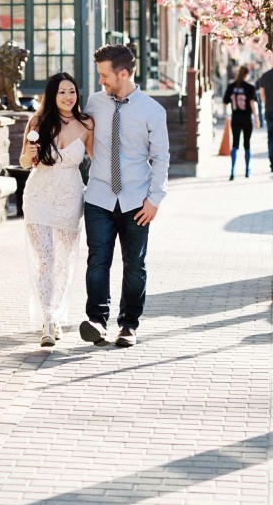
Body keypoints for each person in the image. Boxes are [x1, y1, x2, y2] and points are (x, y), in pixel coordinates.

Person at [79, 44, 169, 349]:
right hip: (99, 197)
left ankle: (128, 325)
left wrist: (154, 200)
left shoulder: (152, 111)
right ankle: (97, 322)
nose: (101, 81)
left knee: (134, 265)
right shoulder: (94, 103)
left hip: (136, 202)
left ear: (123, 74)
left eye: (105, 75)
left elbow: (161, 158)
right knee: (97, 261)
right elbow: (82, 135)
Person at [19, 71, 94, 348]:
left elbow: (96, 161)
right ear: (52, 95)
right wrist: (30, 153)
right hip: (38, 194)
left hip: (70, 196)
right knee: (46, 259)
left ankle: (58, 314)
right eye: (62, 91)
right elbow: (25, 162)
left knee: (63, 260)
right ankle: (48, 321)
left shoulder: (86, 124)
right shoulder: (38, 121)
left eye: (71, 91)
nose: (67, 96)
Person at [222, 65, 260, 180]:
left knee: (235, 144)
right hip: (246, 118)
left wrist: (226, 115)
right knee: (247, 144)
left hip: (235, 118)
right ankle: (247, 170)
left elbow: (224, 102)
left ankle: (232, 171)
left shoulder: (231, 86)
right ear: (247, 75)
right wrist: (256, 118)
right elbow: (252, 104)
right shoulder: (250, 87)